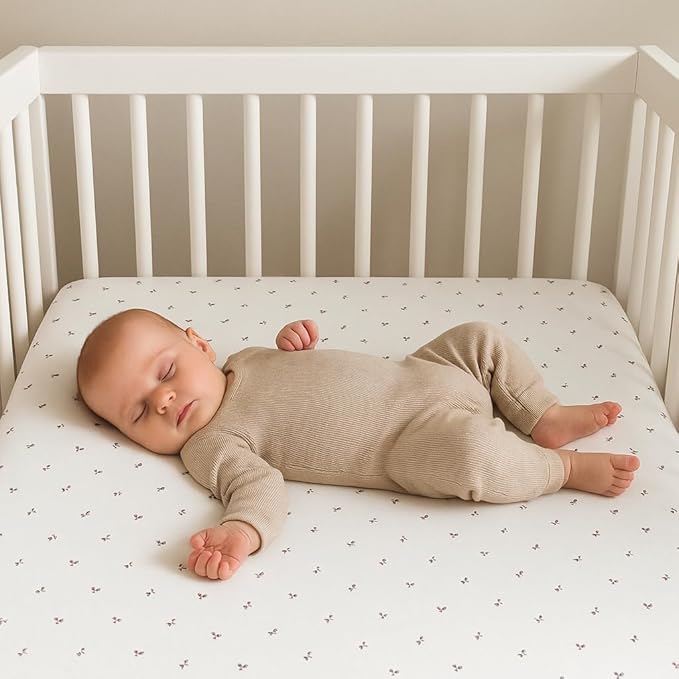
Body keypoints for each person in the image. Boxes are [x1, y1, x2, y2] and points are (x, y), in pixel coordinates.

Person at [76, 309, 640, 582]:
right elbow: (257, 486)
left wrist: (295, 346)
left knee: (479, 339)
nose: (165, 400)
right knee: (476, 456)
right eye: (139, 412)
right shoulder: (210, 444)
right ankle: (561, 467)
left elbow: (308, 379)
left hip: (426, 373)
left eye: (166, 372)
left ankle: (542, 413)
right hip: (412, 441)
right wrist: (241, 532)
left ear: (199, 344)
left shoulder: (243, 359)